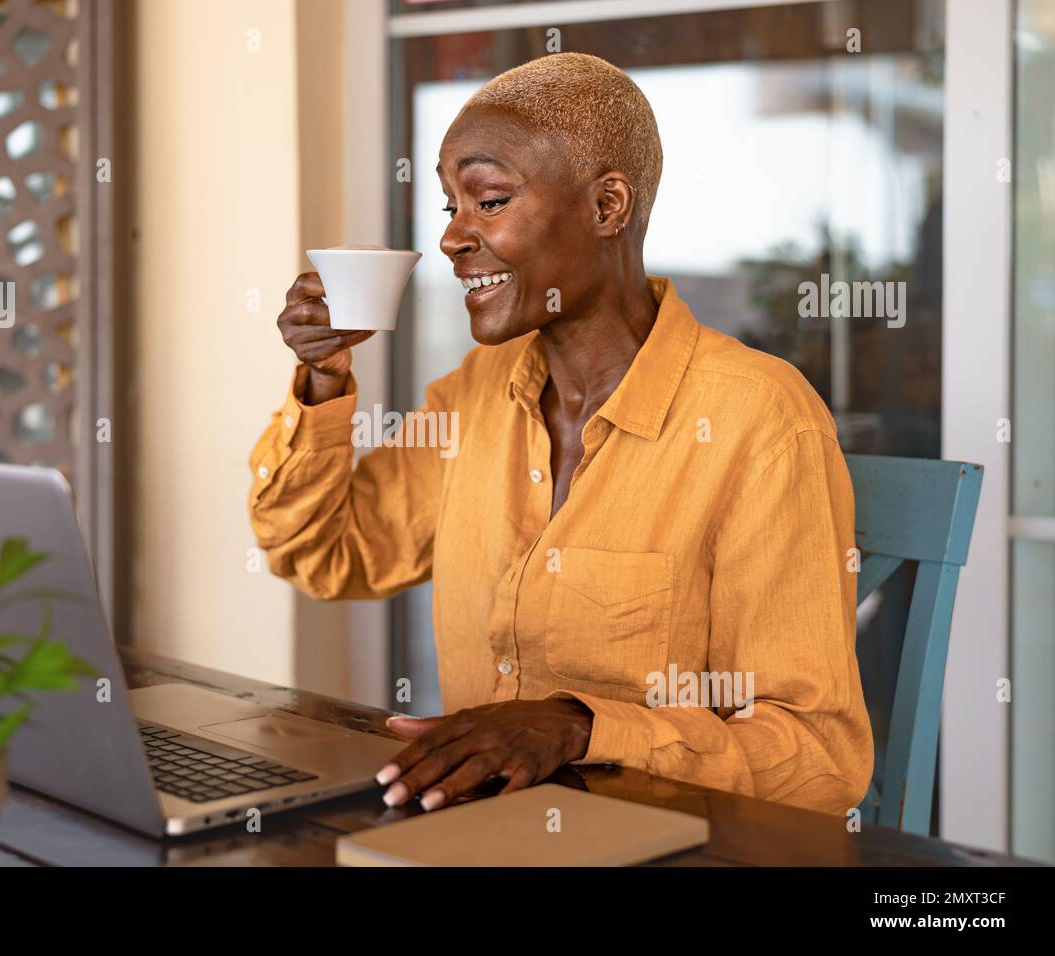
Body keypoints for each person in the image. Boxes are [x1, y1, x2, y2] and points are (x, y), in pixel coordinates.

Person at [249, 53, 873, 817]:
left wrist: (581, 727)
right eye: (450, 208)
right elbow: (321, 553)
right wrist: (324, 381)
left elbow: (817, 761)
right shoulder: (475, 399)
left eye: (490, 199)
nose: (452, 239)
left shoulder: (761, 421)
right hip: (484, 833)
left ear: (609, 206)